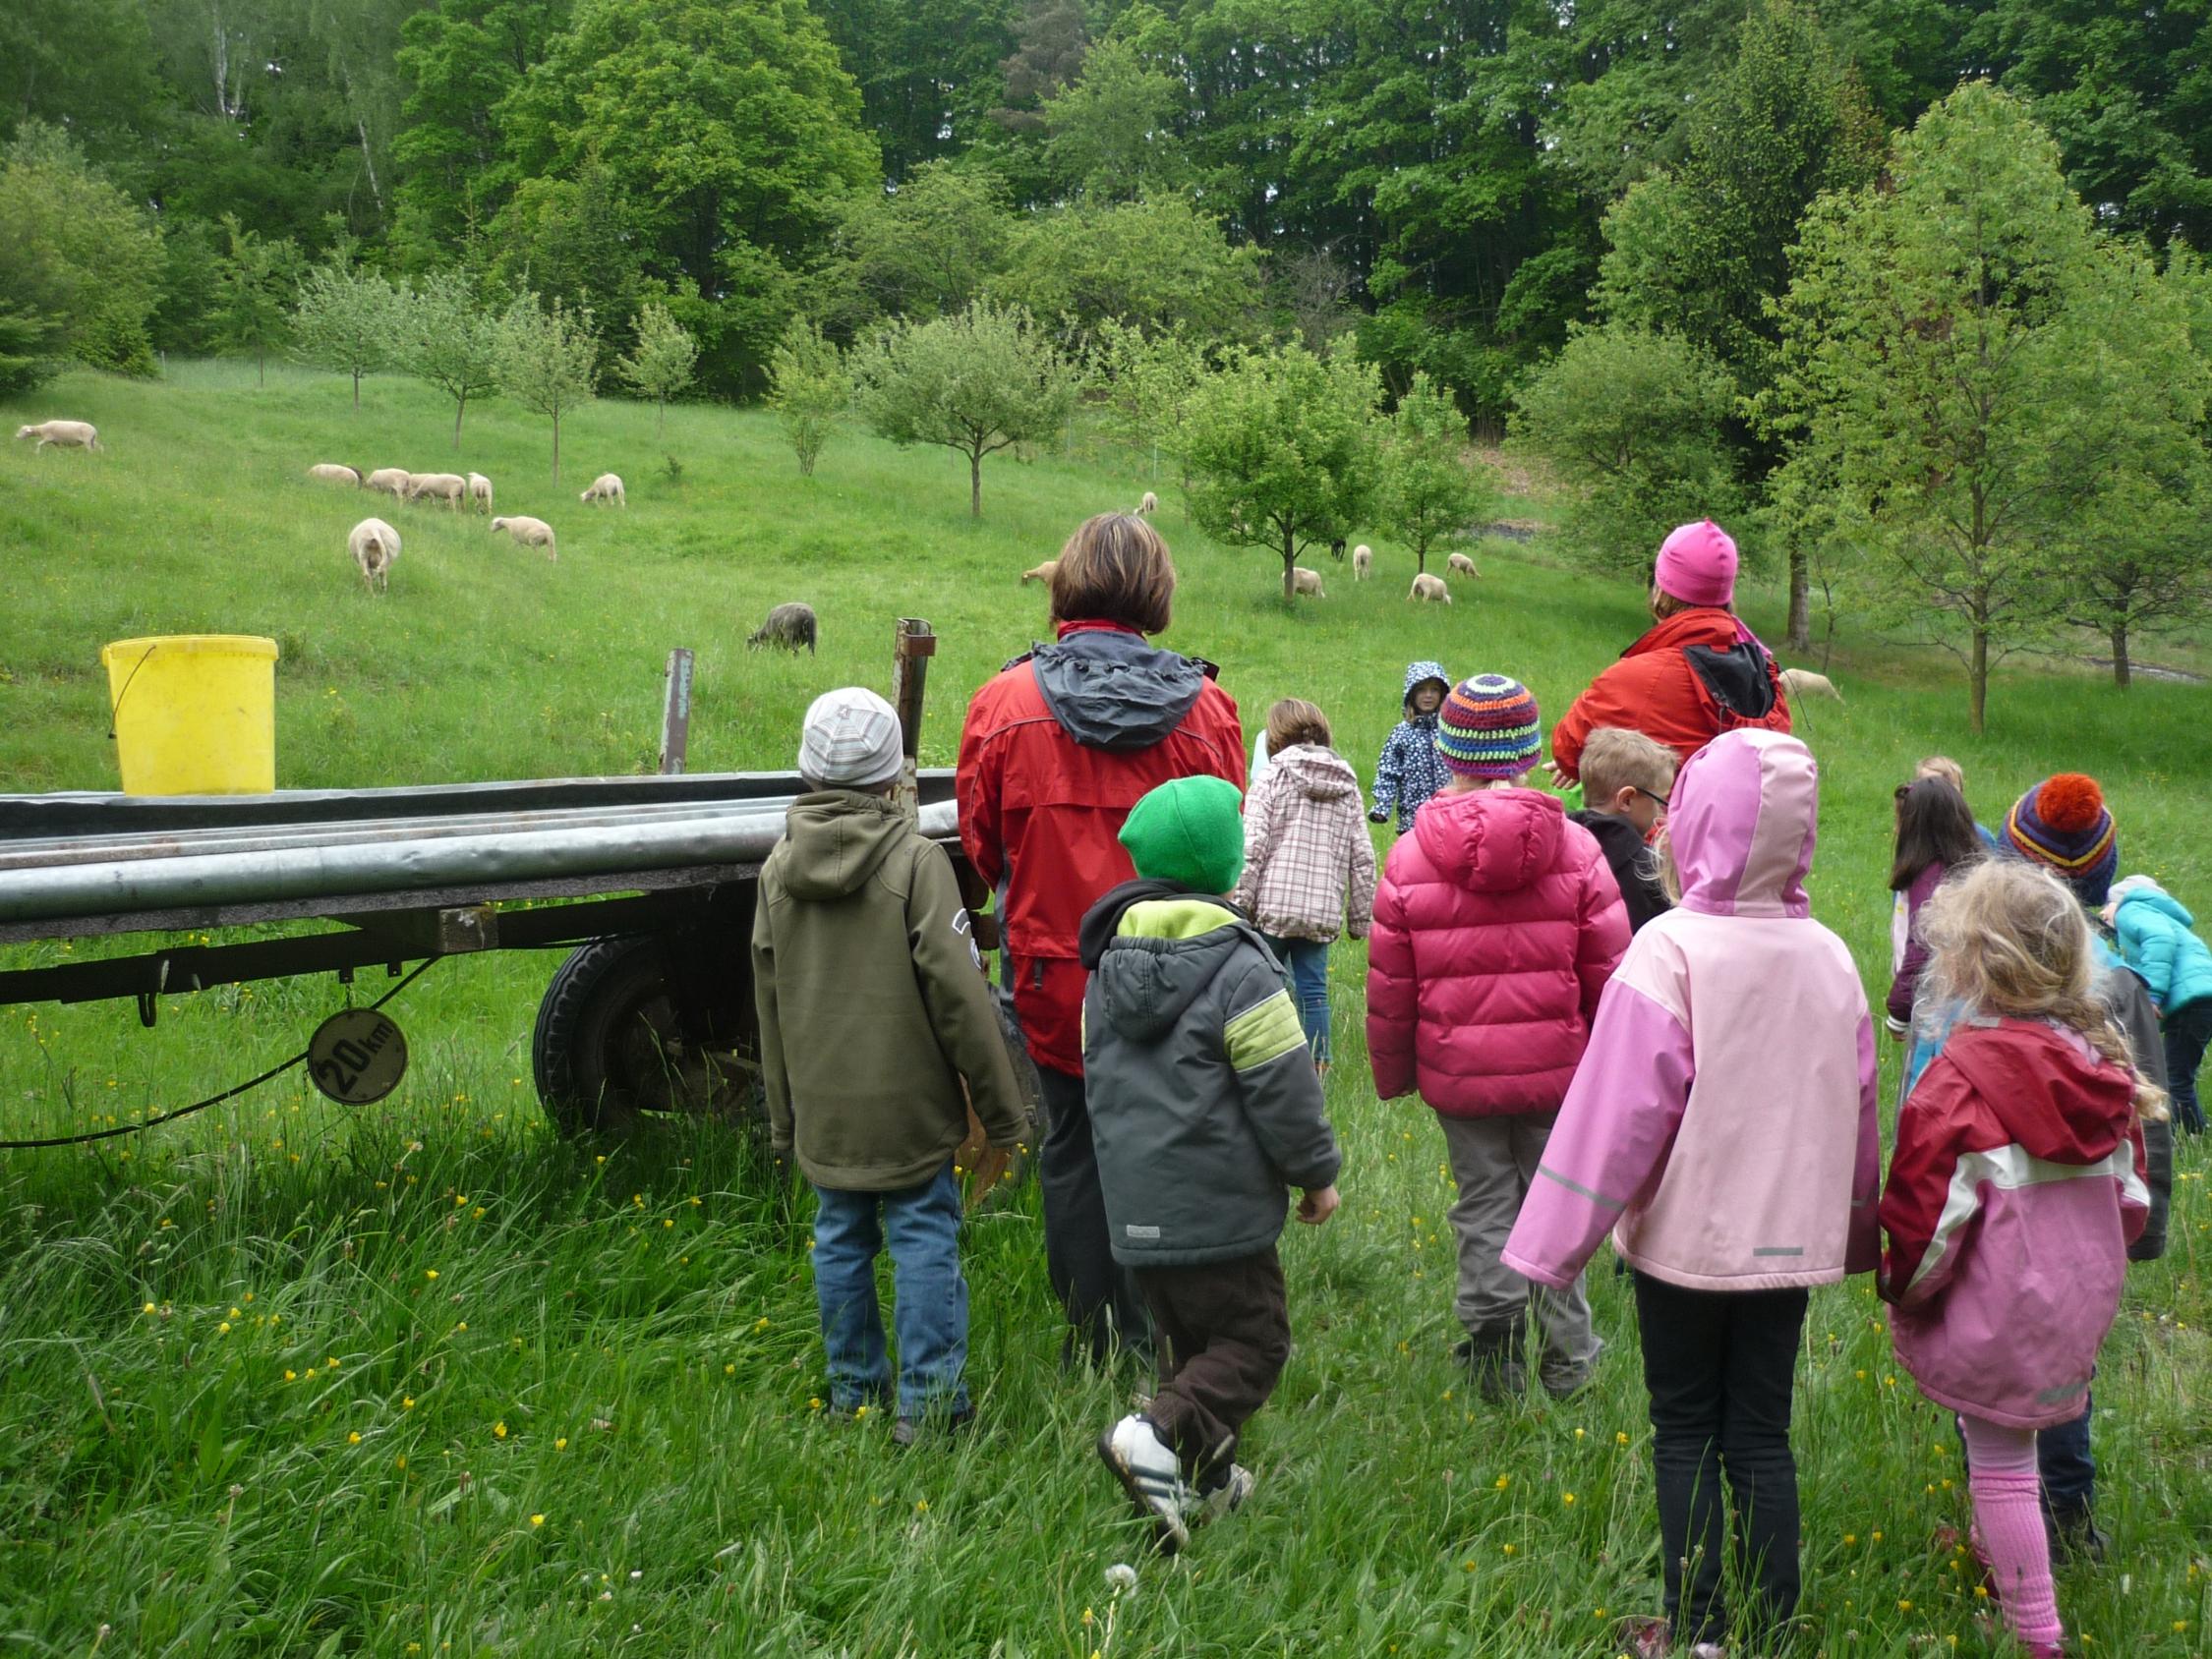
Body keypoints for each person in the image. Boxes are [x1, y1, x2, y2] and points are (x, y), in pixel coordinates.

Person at [1503, 729, 1881, 1658]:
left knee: (1683, 1429)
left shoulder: (1669, 951)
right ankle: (1772, 1627)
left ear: (1693, 824)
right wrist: (1862, 1234)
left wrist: (1550, 1247)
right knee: (1761, 1431)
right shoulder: (1831, 957)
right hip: (1786, 1250)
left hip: (1682, 1244)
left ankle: (1702, 1629)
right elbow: (1860, 1112)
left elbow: (1612, 1117)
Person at [958, 513, 1246, 1365]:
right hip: (1186, 971)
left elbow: (983, 843)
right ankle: (1170, 1335)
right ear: (1156, 593)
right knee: (1175, 1145)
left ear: (1064, 582)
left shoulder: (1003, 703)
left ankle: (1096, 1339)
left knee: (1076, 1147)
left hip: (1058, 978)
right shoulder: (1210, 709)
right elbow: (1225, 841)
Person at [1879, 861, 2157, 1659]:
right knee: (2010, 1435)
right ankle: (1987, 1549)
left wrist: (1903, 1290)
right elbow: (2130, 1203)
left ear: (1964, 964)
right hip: (2074, 1303)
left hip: (1995, 1308)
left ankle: (2035, 1632)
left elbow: (1926, 1227)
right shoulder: (2103, 1073)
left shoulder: (1956, 1084)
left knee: (2002, 1457)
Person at [753, 689, 1031, 1442]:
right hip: (911, 1109)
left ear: (808, 774)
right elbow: (960, 996)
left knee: (840, 1238)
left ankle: (853, 1395)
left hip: (826, 1110)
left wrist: (785, 1122)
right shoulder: (915, 863)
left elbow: (769, 1006)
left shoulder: (777, 870)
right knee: (922, 1239)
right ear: (892, 778)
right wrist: (1003, 1115)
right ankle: (933, 1405)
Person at [1082, 776, 1342, 1553]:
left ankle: (1203, 1481)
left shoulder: (1105, 968)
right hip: (1221, 1211)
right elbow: (1284, 1090)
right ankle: (1151, 1435)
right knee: (1254, 1343)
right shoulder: (1241, 967)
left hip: (1135, 1209)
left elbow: (1098, 1086)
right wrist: (1316, 1173)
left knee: (1189, 1351)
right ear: (1225, 864)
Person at [1367, 675, 1628, 1401]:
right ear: (1526, 752)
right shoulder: (1577, 849)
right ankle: (1570, 1356)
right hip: (1558, 1074)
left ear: (1449, 752)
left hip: (1461, 1077)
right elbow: (1609, 974)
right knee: (1557, 1204)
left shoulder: (1412, 856)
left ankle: (1494, 1353)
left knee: (1484, 1203)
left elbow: (1391, 986)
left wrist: (1395, 1074)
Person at [1943, 772, 2174, 1555]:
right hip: (2085, 1237)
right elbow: (2152, 1118)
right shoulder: (2125, 986)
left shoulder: (1984, 983)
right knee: (2066, 1382)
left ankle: (2005, 1529)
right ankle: (2069, 1520)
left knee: (1990, 1388)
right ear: (2102, 876)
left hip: (1993, 1231)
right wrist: (2144, 1231)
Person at [1547, 520, 1790, 784]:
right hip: (1737, 825)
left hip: (1663, 824)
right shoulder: (1763, 675)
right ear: (1726, 596)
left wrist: (1598, 760)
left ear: (1661, 590)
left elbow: (1567, 750)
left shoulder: (1636, 678)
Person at [1229, 698, 1377, 1070]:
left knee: (1260, 987)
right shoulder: (1347, 783)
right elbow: (1362, 856)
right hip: (1320, 911)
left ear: (1275, 738)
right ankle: (1317, 1066)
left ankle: (1262, 1061)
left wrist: (1240, 904)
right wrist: (1361, 919)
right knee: (1314, 992)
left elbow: (1253, 845)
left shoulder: (1272, 777)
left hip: (1272, 909)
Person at [2107, 874, 2212, 1135]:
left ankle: (2188, 1134)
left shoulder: (2130, 909)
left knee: (2174, 1077)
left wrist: (2152, 994)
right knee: (2178, 1072)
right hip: (2201, 998)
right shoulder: (2156, 914)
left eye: (2106, 905)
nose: (2103, 912)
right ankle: (2196, 1131)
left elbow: (2160, 939)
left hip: (2193, 1000)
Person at [1886, 776, 1985, 1054]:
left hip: (1936, 1008)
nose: (1896, 829)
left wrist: (1899, 1009)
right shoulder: (1975, 868)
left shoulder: (1929, 879)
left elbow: (1922, 942)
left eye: (1902, 822)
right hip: (1974, 1005)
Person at [1567, 726, 1677, 935]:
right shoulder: (1652, 872)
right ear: (1626, 799)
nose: (1661, 813)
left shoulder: (1558, 851)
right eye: (1659, 802)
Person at [1368, 660, 1452, 832]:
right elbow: (1388, 771)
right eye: (1421, 689)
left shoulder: (1451, 731)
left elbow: (1466, 767)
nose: (1428, 695)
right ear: (1411, 694)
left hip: (1449, 813)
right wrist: (1382, 806)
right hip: (1412, 817)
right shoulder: (1402, 733)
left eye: (1434, 690)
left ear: (1443, 693)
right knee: (1416, 857)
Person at [1914, 755, 2003, 852]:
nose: (1941, 796)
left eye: (1950, 789)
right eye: (1930, 786)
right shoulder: (1914, 834)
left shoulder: (1979, 835)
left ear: (1961, 793)